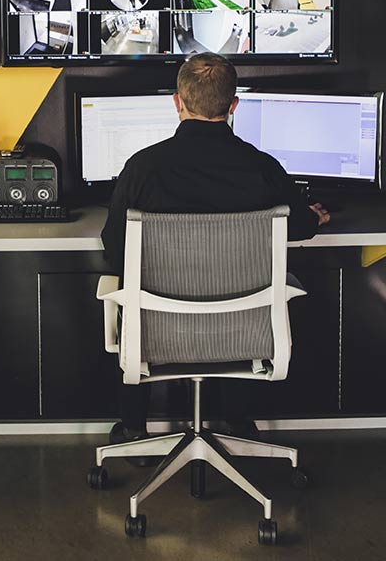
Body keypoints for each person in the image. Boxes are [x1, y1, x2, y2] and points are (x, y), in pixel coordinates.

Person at [101, 52, 330, 454]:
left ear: (178, 101)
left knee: (127, 296)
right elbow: (299, 227)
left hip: (160, 336)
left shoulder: (142, 168)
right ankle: (238, 423)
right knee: (245, 293)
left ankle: (134, 431)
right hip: (242, 335)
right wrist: (312, 217)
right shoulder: (262, 167)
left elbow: (114, 248)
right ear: (233, 105)